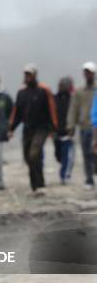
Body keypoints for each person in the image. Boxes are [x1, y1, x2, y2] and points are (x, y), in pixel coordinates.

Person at [9, 64, 58, 195]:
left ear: (35, 75)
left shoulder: (44, 90)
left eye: (29, 74)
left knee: (34, 153)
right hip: (28, 128)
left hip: (42, 128)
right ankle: (34, 185)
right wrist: (11, 128)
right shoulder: (21, 93)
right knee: (28, 157)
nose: (27, 77)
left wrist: (53, 127)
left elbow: (52, 109)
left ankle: (40, 183)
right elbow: (17, 113)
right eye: (25, 74)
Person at [67, 61, 96, 189]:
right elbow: (73, 109)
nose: (87, 75)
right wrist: (71, 125)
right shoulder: (79, 92)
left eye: (89, 72)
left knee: (94, 152)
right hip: (84, 126)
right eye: (86, 72)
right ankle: (89, 179)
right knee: (86, 154)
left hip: (96, 127)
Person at [54, 77, 75, 184]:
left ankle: (64, 176)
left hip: (68, 132)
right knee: (58, 156)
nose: (61, 87)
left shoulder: (72, 99)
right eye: (60, 84)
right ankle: (64, 170)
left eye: (64, 85)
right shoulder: (54, 99)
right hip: (57, 132)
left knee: (66, 155)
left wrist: (72, 128)